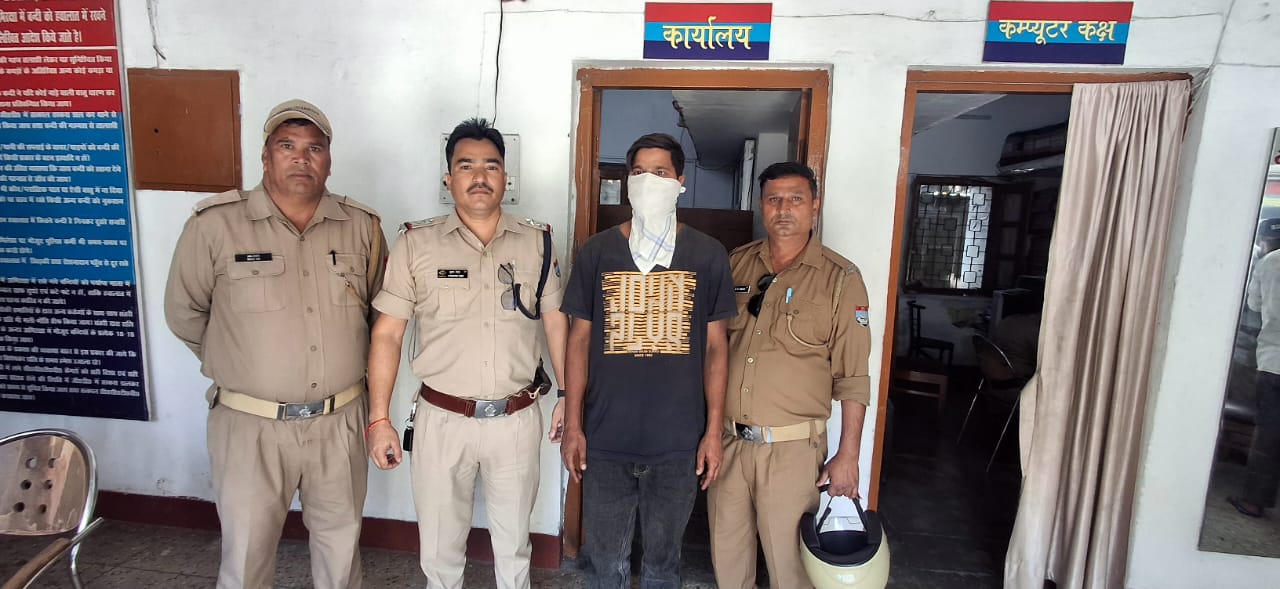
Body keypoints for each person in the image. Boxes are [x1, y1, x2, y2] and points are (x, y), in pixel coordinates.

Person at [164, 99, 387, 589]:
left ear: (329, 160)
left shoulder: (362, 226)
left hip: (339, 422)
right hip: (251, 426)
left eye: (314, 148)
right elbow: (184, 313)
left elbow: (379, 318)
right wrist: (244, 363)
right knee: (246, 556)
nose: (300, 158)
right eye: (287, 146)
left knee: (341, 552)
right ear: (265, 157)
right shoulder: (215, 224)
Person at [364, 118, 568, 589]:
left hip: (516, 419)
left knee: (514, 550)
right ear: (448, 178)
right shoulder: (416, 244)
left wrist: (566, 395)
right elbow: (387, 335)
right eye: (466, 165)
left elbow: (556, 322)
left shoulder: (537, 242)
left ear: (506, 177)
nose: (480, 176)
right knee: (440, 551)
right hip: (442, 421)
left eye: (491, 166)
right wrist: (379, 419)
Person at [558, 133, 735, 589]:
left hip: (678, 442)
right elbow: (579, 341)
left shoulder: (707, 254)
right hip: (605, 440)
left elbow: (717, 348)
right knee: (607, 567)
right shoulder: (598, 252)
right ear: (627, 181)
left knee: (662, 567)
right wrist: (574, 426)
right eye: (638, 172)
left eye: (660, 172)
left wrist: (713, 432)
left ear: (680, 181)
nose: (648, 181)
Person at [708, 161, 872, 589]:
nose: (784, 209)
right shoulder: (737, 264)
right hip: (729, 444)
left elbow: (853, 376)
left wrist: (848, 455)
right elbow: (712, 350)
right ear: (761, 205)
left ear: (814, 205)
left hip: (793, 454)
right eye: (774, 199)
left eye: (796, 199)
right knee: (728, 560)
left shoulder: (841, 279)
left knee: (790, 569)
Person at [1230, 218, 1280, 518]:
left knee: (1269, 433)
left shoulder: (1268, 263)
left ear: (1264, 241)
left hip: (1273, 362)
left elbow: (1255, 306)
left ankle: (1253, 501)